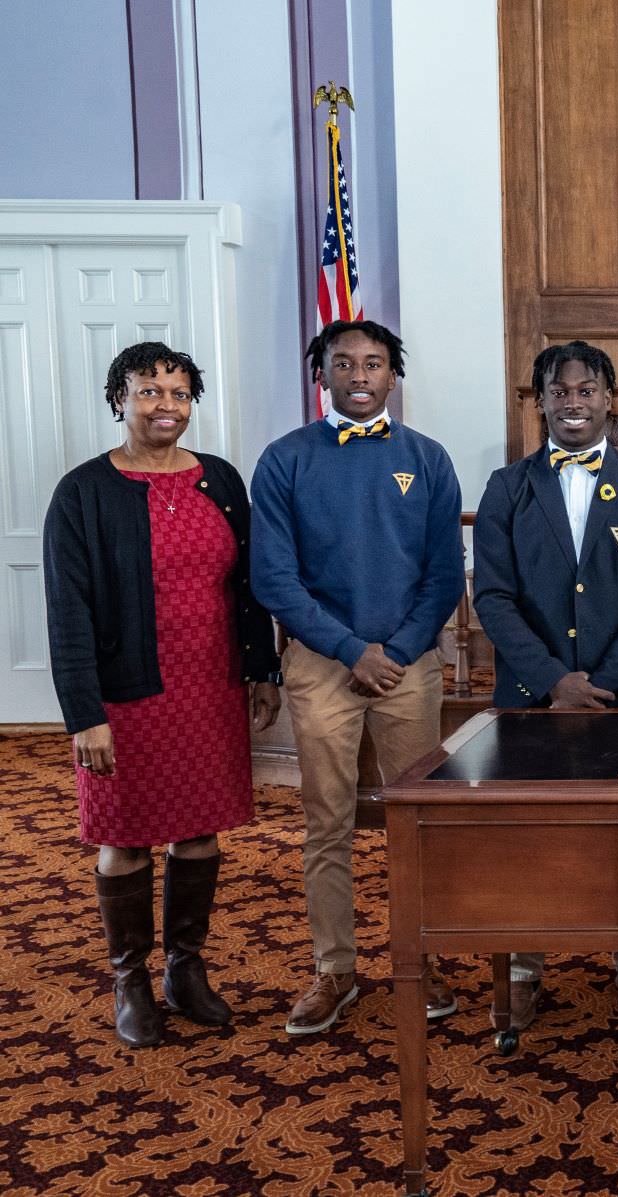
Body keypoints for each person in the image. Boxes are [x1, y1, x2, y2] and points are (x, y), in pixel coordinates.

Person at [44, 342, 281, 1047]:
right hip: (125, 695)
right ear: (119, 397)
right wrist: (84, 713)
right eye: (149, 391)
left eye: (178, 393)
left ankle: (185, 968)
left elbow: (249, 584)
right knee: (123, 836)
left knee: (199, 830)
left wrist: (261, 667)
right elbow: (69, 610)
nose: (165, 406)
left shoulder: (220, 480)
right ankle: (130, 979)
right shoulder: (83, 491)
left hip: (208, 685)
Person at [250, 319, 465, 1035]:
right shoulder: (284, 459)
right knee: (327, 822)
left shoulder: (427, 458)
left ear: (393, 376)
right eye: (344, 363)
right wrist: (349, 648)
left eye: (374, 363)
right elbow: (274, 579)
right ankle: (333, 969)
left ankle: (418, 957)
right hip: (320, 664)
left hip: (407, 663)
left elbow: (444, 571)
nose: (361, 375)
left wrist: (397, 648)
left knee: (416, 822)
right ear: (323, 375)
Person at [472, 340, 618, 1031]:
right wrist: (552, 682)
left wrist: (601, 684)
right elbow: (494, 597)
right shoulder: (506, 488)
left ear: (608, 399)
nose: (572, 402)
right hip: (529, 701)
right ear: (539, 403)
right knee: (528, 835)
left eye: (586, 389)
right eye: (558, 392)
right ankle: (524, 967)